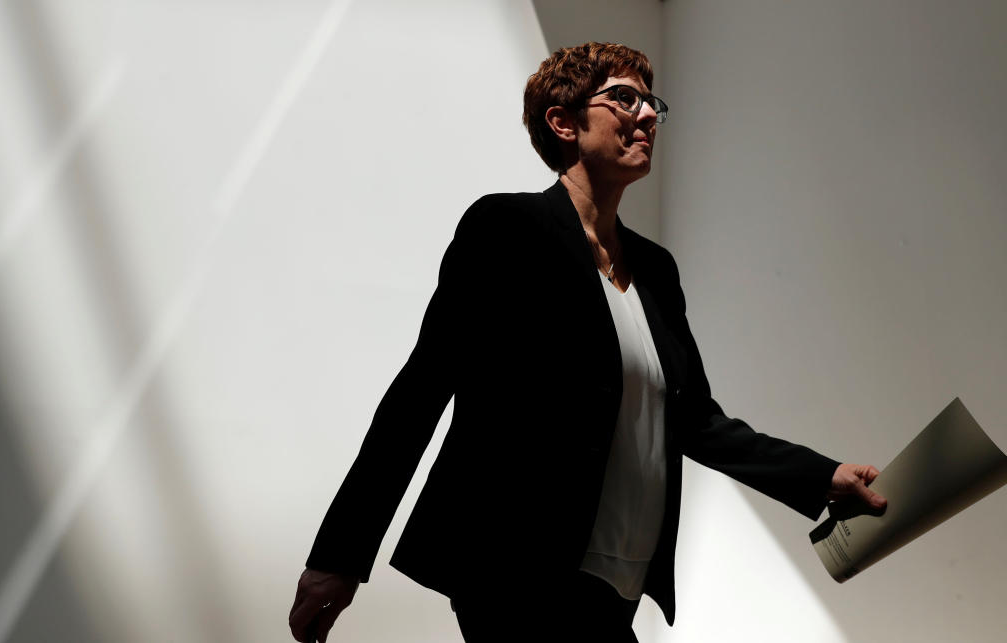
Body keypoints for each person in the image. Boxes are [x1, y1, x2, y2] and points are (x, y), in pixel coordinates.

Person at [287, 42, 887, 643]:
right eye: (625, 98)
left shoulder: (655, 268)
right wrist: (340, 556)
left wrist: (821, 475)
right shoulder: (506, 230)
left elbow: (696, 421)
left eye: (651, 102)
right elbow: (420, 390)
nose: (648, 115)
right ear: (564, 122)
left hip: (616, 586)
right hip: (517, 574)